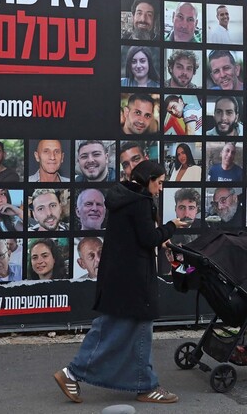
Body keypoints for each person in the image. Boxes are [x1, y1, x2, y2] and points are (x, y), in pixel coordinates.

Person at [54, 160, 186, 405]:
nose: (160, 188)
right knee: (116, 328)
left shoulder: (123, 196)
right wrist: (171, 227)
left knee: (131, 328)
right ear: (149, 179)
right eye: (159, 182)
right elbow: (148, 238)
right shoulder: (141, 202)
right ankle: (73, 373)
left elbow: (134, 236)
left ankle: (144, 384)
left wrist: (161, 235)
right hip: (133, 279)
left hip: (119, 275)